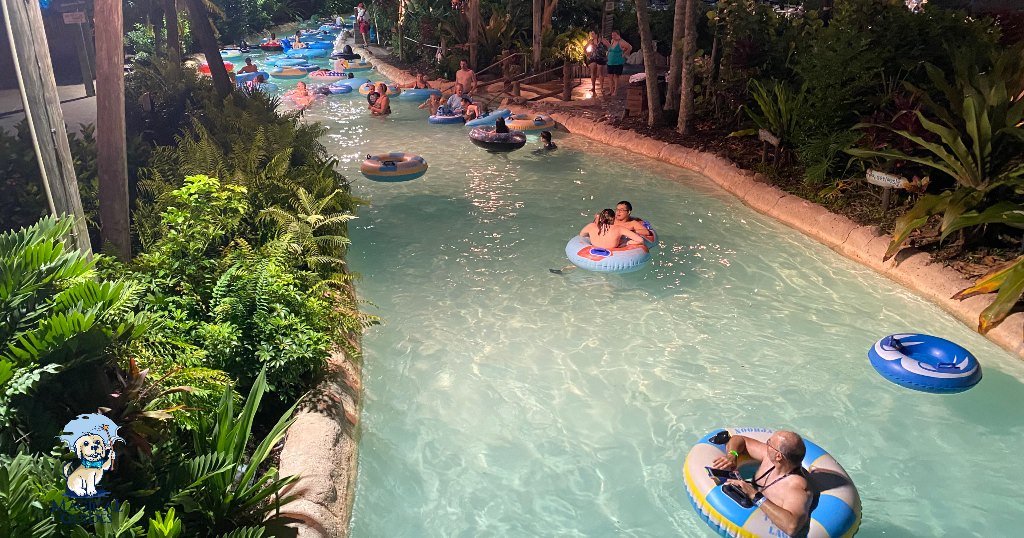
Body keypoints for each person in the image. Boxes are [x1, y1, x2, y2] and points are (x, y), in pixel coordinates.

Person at [710, 431, 812, 537]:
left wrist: (754, 495)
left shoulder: (796, 487)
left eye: (769, 443)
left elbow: (792, 527)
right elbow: (739, 439)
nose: (766, 444)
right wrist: (732, 455)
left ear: (778, 456)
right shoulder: (770, 458)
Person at [579, 209, 645, 250]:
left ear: (600, 218)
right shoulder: (619, 228)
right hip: (614, 254)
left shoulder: (591, 226)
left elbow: (582, 235)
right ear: (613, 219)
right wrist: (628, 242)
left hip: (593, 252)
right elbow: (640, 240)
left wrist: (593, 235)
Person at [605, 30, 632, 96]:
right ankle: (611, 90)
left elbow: (630, 47)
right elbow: (609, 49)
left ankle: (615, 91)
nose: (613, 36)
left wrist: (624, 54)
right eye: (612, 35)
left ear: (618, 35)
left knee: (616, 77)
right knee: (610, 76)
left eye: (614, 35)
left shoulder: (621, 42)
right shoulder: (612, 41)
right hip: (610, 62)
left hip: (617, 62)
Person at [584, 31, 608, 95]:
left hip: (600, 57)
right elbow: (585, 48)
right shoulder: (591, 41)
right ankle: (593, 87)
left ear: (597, 34)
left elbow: (609, 46)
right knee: (593, 72)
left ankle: (602, 87)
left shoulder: (602, 40)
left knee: (600, 72)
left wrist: (607, 55)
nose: (592, 35)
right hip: (593, 58)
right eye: (591, 34)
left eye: (593, 34)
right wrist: (587, 54)